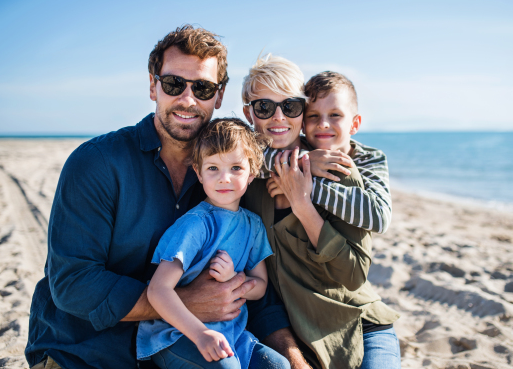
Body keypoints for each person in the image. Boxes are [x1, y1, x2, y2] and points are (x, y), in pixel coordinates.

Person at [25, 26, 303, 369]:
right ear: (153, 86)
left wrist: (295, 361)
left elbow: (256, 290)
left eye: (202, 87)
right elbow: (74, 283)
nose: (187, 99)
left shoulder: (228, 178)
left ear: (218, 96)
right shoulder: (96, 163)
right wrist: (185, 302)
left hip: (193, 350)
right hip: (82, 353)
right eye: (174, 84)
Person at [240, 55, 401, 369]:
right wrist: (292, 165)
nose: (277, 117)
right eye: (263, 107)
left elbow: (355, 274)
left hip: (359, 323)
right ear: (249, 113)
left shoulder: (336, 168)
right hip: (298, 331)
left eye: (290, 106)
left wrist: (302, 197)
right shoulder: (245, 178)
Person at [137, 118, 289, 368]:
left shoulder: (253, 225)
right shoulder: (196, 225)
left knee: (278, 365)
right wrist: (200, 334)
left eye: (236, 168)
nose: (224, 178)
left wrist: (232, 279)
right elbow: (158, 290)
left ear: (252, 172)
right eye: (213, 168)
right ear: (198, 172)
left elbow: (260, 286)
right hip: (177, 334)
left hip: (231, 334)